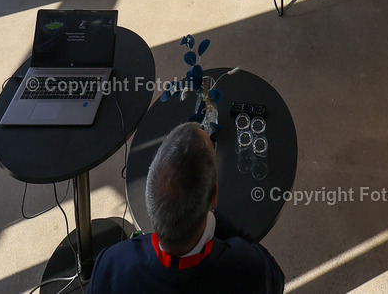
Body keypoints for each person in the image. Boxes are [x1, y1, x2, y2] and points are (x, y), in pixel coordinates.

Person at [88, 123, 285, 293]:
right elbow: (276, 279)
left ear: (149, 200)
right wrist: (213, 214)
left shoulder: (109, 266)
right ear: (213, 197)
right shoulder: (249, 269)